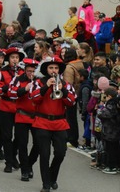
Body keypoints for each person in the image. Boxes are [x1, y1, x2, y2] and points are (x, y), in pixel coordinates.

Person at [31, 57, 76, 192]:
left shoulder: (66, 84)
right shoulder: (38, 83)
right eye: (51, 68)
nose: (53, 71)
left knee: (60, 153)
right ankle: (46, 184)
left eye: (56, 68)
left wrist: (64, 91)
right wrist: (46, 87)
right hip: (42, 122)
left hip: (59, 123)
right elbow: (34, 99)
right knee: (44, 154)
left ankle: (52, 176)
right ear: (46, 69)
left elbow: (71, 102)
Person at [9, 58, 39, 181]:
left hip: (36, 116)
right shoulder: (18, 79)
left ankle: (29, 164)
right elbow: (11, 93)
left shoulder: (39, 81)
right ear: (25, 70)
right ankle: (24, 171)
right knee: (22, 144)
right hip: (22, 116)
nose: (30, 73)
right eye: (28, 71)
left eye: (33, 71)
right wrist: (24, 89)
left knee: (38, 144)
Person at [96, 88, 120, 175]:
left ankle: (112, 166)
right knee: (116, 147)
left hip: (110, 130)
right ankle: (118, 165)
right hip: (116, 129)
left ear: (109, 96)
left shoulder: (111, 104)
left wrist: (99, 109)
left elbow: (105, 114)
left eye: (105, 96)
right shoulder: (118, 102)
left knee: (110, 149)